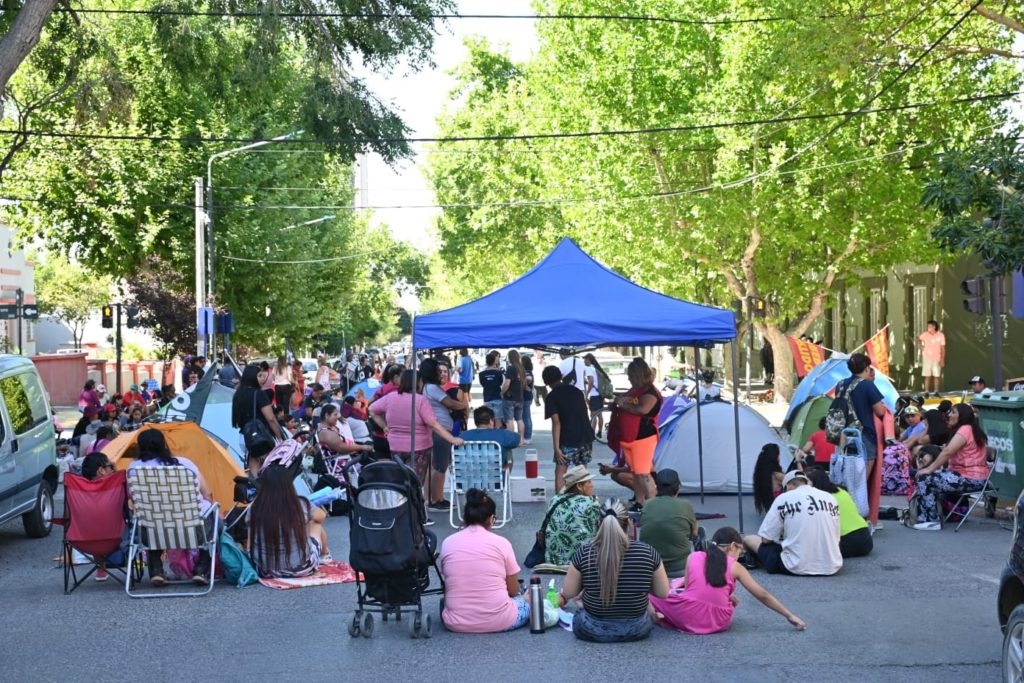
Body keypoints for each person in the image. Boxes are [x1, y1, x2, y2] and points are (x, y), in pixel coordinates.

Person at [650, 527, 805, 634]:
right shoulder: (735, 566)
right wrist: (789, 615)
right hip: (719, 620)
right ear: (732, 546)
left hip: (689, 614)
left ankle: (648, 614)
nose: (740, 555)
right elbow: (762, 594)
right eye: (740, 551)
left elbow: (690, 591)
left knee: (651, 593)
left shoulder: (694, 557)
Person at [558, 498, 670, 643]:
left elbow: (568, 592)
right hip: (637, 629)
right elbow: (663, 592)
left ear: (599, 524)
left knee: (581, 611)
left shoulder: (585, 552)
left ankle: (589, 603)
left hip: (592, 629)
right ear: (629, 523)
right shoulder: (647, 552)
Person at [128, 429, 215, 587]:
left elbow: (133, 499)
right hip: (193, 529)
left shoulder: (134, 469)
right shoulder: (185, 464)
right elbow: (207, 494)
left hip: (155, 531)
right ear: (163, 444)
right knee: (215, 521)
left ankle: (156, 570)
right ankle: (201, 569)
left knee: (151, 518)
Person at [440, 489, 529, 633]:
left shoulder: (448, 543)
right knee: (528, 599)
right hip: (500, 620)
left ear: (465, 517)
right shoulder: (502, 543)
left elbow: (448, 580)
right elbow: (513, 590)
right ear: (491, 519)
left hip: (455, 621)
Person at [370, 369, 464, 496]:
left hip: (395, 447)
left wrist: (385, 426)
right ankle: (414, 511)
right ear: (418, 383)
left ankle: (402, 507)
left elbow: (371, 409)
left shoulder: (390, 397)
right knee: (415, 483)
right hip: (418, 448)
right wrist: (452, 439)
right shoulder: (420, 400)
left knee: (401, 481)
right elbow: (433, 424)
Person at [742, 471, 842, 576]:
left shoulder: (784, 498)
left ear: (788, 486)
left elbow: (766, 539)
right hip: (832, 565)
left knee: (749, 539)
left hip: (796, 565)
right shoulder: (830, 498)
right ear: (806, 482)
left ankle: (749, 558)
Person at [912, 403, 990, 531]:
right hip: (968, 476)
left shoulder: (965, 429)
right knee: (921, 475)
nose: (950, 415)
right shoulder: (970, 429)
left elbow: (947, 452)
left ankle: (932, 520)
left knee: (925, 478)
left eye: (953, 412)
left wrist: (929, 469)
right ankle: (926, 517)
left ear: (962, 416)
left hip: (971, 478)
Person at [248, 465, 329, 577]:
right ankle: (325, 555)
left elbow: (250, 540)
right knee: (315, 525)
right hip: (301, 568)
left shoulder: (255, 507)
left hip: (264, 570)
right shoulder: (299, 504)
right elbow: (321, 516)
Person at [421, 358, 469, 511]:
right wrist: (465, 405)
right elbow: (451, 403)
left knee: (434, 466)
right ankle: (437, 499)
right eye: (438, 370)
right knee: (440, 466)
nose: (441, 373)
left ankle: (430, 498)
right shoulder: (433, 388)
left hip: (437, 430)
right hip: (441, 431)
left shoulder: (427, 388)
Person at [615, 358, 663, 508]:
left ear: (638, 375)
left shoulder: (650, 392)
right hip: (630, 437)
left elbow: (643, 409)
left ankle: (652, 505)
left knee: (643, 473)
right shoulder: (636, 390)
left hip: (643, 437)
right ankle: (639, 501)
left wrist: (623, 404)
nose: (629, 378)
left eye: (631, 375)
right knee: (636, 472)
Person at [639, 469, 699, 579]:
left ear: (656, 486)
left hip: (650, 567)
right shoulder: (686, 505)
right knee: (700, 532)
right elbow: (694, 533)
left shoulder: (647, 504)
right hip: (679, 568)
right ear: (678, 487)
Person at [542, 365, 592, 492]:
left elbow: (556, 423)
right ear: (560, 376)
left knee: (560, 471)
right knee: (582, 471)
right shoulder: (576, 391)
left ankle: (560, 502)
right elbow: (584, 414)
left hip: (568, 438)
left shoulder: (551, 397)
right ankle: (584, 499)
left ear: (546, 382)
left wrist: (556, 448)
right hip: (585, 437)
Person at [804, 467, 872, 557]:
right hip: (866, 540)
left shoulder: (819, 499)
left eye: (805, 482)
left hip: (846, 542)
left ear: (814, 482)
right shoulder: (842, 490)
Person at [543, 465, 603, 566]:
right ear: (579, 486)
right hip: (583, 561)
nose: (592, 485)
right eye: (589, 482)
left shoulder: (555, 499)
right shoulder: (592, 502)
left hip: (554, 559)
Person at [839, 353, 886, 476]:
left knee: (847, 465)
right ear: (866, 368)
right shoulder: (867, 385)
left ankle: (847, 492)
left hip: (844, 432)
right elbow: (880, 411)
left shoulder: (841, 384)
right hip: (864, 432)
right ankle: (858, 494)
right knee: (864, 468)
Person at [232, 364, 284, 456]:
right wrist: (280, 438)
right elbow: (270, 418)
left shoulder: (238, 394)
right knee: (267, 467)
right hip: (260, 437)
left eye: (263, 376)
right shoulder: (259, 394)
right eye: (259, 376)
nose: (263, 379)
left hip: (245, 436)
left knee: (253, 466)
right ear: (251, 377)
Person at [460, 406, 521, 470]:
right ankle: (505, 476)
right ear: (491, 421)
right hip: (496, 477)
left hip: (468, 477)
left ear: (476, 422)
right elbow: (519, 440)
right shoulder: (502, 434)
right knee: (508, 450)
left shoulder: (463, 436)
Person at [501, 349, 527, 442]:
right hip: (520, 397)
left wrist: (502, 392)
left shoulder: (511, 368)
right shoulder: (521, 368)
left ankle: (512, 440)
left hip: (510, 397)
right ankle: (521, 439)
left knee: (509, 419)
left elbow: (507, 383)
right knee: (519, 419)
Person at [917, 320, 945, 395]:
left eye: (930, 326)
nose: (928, 328)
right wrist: (920, 346)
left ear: (934, 327)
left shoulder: (940, 335)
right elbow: (918, 338)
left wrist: (942, 359)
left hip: (937, 358)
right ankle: (926, 391)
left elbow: (942, 348)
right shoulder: (925, 334)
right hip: (927, 358)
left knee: (937, 376)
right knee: (927, 376)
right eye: (928, 326)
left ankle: (936, 391)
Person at [478, 350, 505, 427]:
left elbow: (482, 384)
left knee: (489, 419)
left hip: (487, 398)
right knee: (498, 418)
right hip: (497, 397)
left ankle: (490, 436)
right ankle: (498, 437)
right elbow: (500, 383)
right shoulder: (499, 373)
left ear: (486, 362)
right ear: (494, 361)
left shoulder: (481, 374)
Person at [583, 353, 606, 439]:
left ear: (589, 360)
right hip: (600, 394)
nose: (584, 361)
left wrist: (587, 393)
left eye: (585, 359)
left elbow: (591, 381)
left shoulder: (589, 368)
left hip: (594, 394)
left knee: (593, 415)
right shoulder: (596, 368)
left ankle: (592, 434)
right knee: (599, 414)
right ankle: (599, 432)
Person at [521, 355, 535, 444]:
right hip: (527, 396)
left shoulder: (527, 372)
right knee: (526, 416)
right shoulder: (527, 371)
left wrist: (524, 384)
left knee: (525, 417)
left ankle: (527, 436)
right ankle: (527, 435)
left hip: (526, 396)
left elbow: (529, 379)